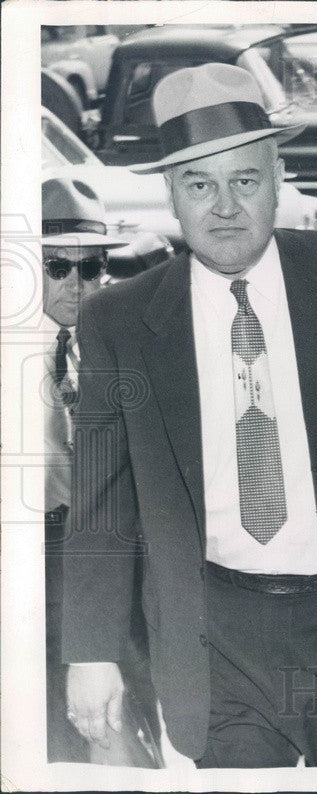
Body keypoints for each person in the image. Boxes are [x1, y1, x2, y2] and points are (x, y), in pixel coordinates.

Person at [61, 63, 317, 768]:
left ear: (279, 177)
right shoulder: (119, 321)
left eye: (244, 181)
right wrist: (92, 653)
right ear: (172, 196)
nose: (224, 207)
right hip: (216, 637)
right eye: (199, 185)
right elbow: (101, 502)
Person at [41, 177, 127, 764]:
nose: (77, 284)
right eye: (57, 267)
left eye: (91, 267)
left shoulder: (112, 347)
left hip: (100, 552)